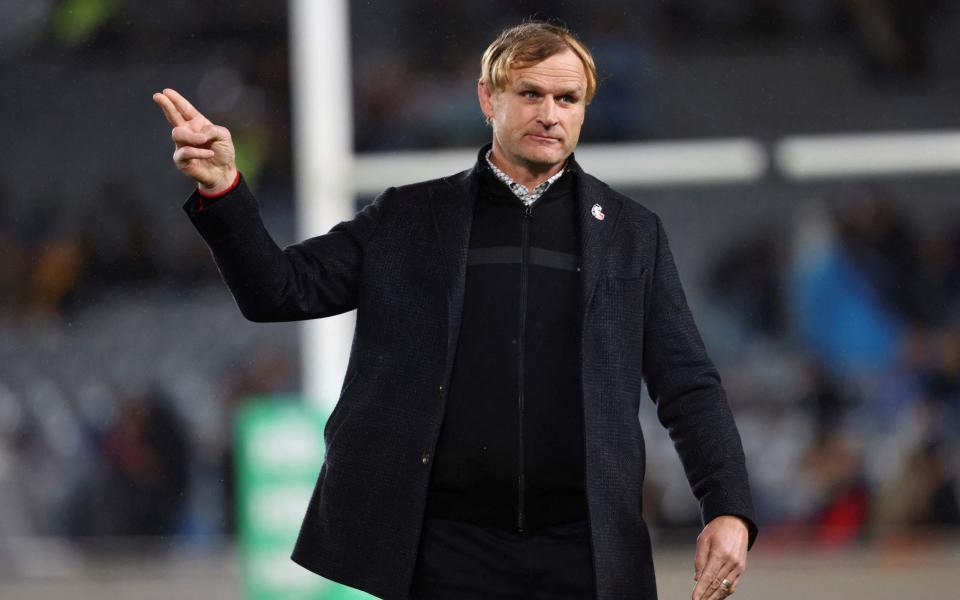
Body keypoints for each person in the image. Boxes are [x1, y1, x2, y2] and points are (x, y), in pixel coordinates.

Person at [154, 21, 756, 600]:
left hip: (588, 552)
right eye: (530, 94)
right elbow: (279, 291)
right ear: (487, 98)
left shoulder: (631, 232)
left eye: (568, 98)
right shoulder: (406, 219)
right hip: (444, 551)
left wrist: (726, 504)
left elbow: (687, 383)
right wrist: (224, 190)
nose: (550, 113)